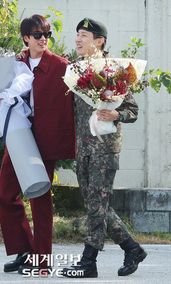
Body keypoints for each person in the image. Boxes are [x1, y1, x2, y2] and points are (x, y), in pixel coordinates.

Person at [0, 14, 75, 275]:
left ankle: (42, 261)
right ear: (26, 37)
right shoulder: (14, 62)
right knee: (5, 195)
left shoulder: (62, 66)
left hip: (45, 139)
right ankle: (26, 251)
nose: (43, 39)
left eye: (47, 34)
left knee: (39, 198)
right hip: (18, 135)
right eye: (38, 35)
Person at [62, 18, 147, 278]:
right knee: (95, 205)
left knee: (97, 205)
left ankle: (89, 262)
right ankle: (132, 248)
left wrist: (115, 115)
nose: (78, 39)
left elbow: (131, 110)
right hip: (83, 147)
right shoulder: (75, 70)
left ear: (100, 41)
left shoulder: (115, 70)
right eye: (77, 34)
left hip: (105, 148)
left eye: (84, 35)